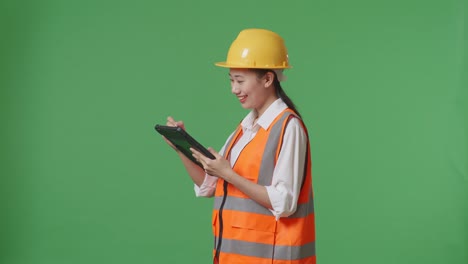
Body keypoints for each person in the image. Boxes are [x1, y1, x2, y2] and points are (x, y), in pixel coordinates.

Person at [163, 28, 315, 264]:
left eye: (240, 81)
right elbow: (209, 184)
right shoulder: (244, 129)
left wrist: (229, 174)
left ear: (267, 79)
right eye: (232, 80)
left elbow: (284, 202)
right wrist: (180, 147)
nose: (234, 89)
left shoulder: (288, 127)